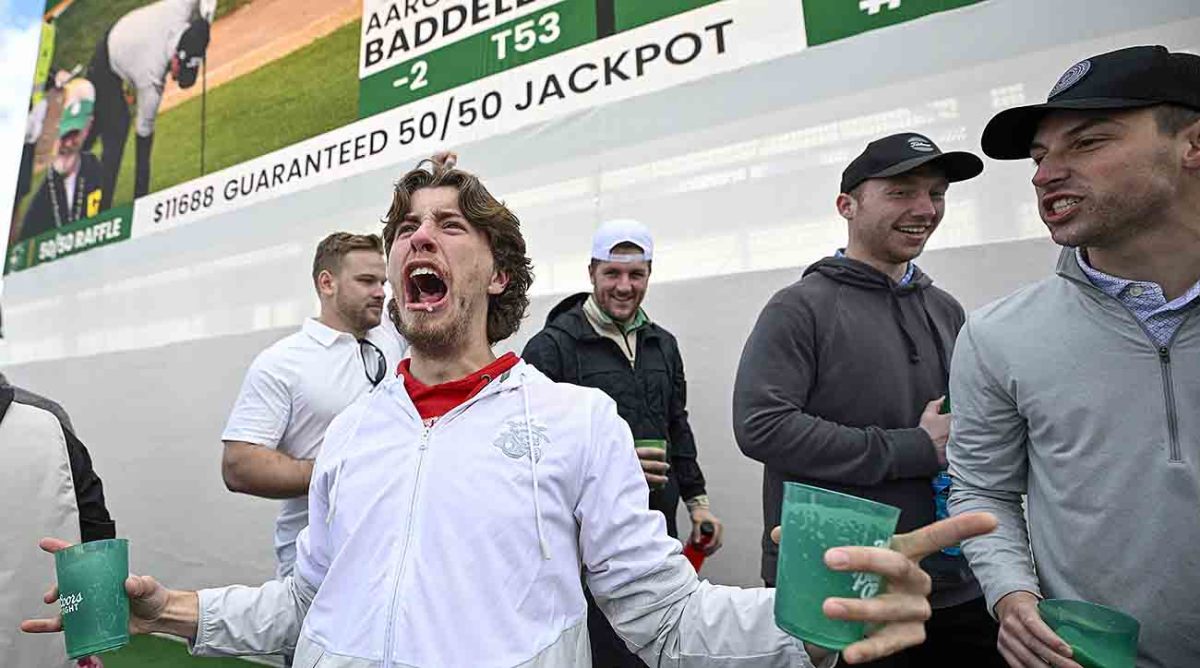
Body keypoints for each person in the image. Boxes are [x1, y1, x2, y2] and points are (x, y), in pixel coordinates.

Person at [24, 158, 996, 667]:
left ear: (496, 270)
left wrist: (806, 621)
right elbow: (306, 603)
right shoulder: (355, 432)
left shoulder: (576, 423)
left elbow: (664, 620)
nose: (419, 236)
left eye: (450, 224)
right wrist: (176, 610)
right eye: (407, 225)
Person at [948, 44, 1200, 668]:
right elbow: (982, 489)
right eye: (1039, 157)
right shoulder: (997, 333)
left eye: (1087, 143)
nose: (1044, 174)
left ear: (1193, 145)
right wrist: (1011, 595)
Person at [734, 133, 1002, 666]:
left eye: (937, 193)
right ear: (846, 206)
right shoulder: (799, 308)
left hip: (953, 583)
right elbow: (762, 427)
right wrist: (913, 448)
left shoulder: (947, 309)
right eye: (902, 192)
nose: (925, 209)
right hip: (840, 583)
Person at [523, 219, 724, 667]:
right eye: (612, 273)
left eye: (636, 274)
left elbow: (678, 426)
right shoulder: (552, 348)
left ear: (650, 274)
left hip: (655, 522)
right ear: (592, 272)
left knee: (655, 641)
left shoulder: (663, 345)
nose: (624, 285)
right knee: (599, 646)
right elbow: (525, 446)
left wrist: (698, 504)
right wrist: (611, 460)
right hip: (580, 539)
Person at [221, 232, 406, 581]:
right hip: (318, 565)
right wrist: (339, 470)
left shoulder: (391, 334)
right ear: (327, 283)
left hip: (388, 552)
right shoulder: (281, 362)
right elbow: (238, 465)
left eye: (382, 281)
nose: (381, 291)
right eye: (366, 281)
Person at [1, 373, 114, 667]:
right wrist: (89, 643)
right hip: (41, 647)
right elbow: (94, 532)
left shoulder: (47, 421)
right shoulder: (47, 424)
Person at [85, 0, 215, 209]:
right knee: (115, 131)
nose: (175, 78)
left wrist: (205, 24)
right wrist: (142, 199)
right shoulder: (151, 76)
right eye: (179, 73)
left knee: (105, 126)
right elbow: (143, 137)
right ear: (175, 58)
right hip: (107, 60)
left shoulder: (180, 8)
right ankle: (101, 212)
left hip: (130, 39)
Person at [19, 98, 106, 242]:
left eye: (74, 134)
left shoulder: (92, 166)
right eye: (63, 135)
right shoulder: (40, 205)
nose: (67, 144)